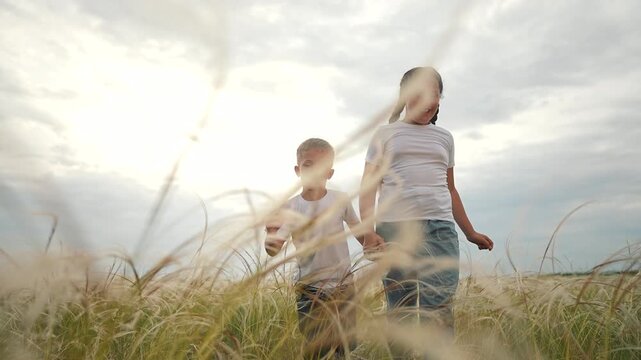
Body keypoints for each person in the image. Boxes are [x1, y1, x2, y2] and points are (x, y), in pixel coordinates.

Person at [359, 67, 494, 355]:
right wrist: (367, 233)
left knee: (440, 306)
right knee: (402, 307)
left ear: (439, 99)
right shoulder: (385, 134)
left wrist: (469, 232)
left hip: (441, 230)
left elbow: (450, 189)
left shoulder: (444, 138)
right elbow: (369, 186)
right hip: (396, 229)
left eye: (432, 93)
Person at [265, 138, 364, 359]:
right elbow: (274, 248)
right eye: (308, 165)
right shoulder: (290, 207)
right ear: (298, 170)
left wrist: (375, 244)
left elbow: (360, 232)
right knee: (317, 348)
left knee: (346, 347)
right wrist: (270, 238)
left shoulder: (340, 200)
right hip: (310, 289)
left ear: (330, 173)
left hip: (343, 286)